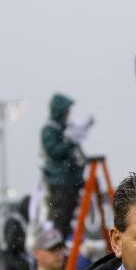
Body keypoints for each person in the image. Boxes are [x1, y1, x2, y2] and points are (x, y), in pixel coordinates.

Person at [41, 93, 87, 239]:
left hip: (70, 180)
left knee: (67, 216)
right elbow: (54, 151)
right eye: (66, 111)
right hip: (60, 181)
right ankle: (54, 244)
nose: (68, 114)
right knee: (59, 216)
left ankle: (62, 242)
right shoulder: (50, 129)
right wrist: (69, 142)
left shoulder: (64, 128)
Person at [2, 195, 32, 270]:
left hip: (21, 261)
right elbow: (11, 243)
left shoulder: (23, 220)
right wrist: (27, 242)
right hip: (15, 261)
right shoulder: (14, 220)